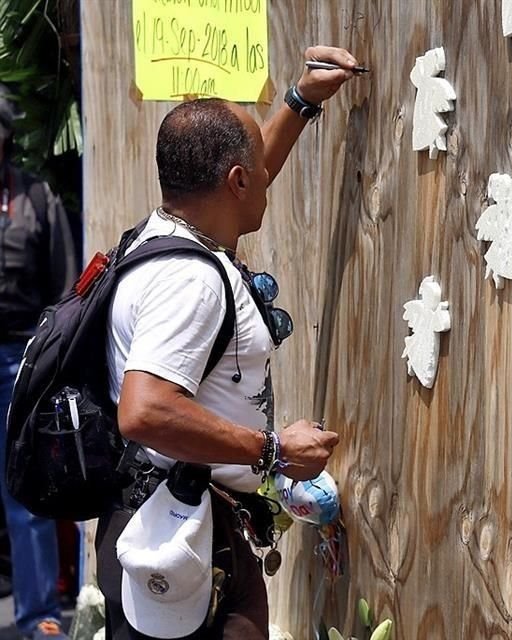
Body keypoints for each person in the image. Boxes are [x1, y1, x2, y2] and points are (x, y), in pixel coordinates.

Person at [95, 45, 356, 639]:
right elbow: (145, 410)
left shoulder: (165, 236)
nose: (266, 174)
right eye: (256, 170)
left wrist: (300, 102)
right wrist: (271, 451)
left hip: (165, 518)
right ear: (237, 181)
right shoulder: (191, 281)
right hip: (186, 537)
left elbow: (244, 175)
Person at [0, 85, 78, 640]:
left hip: (16, 360)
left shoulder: (36, 198)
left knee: (26, 492)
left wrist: (50, 365)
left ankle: (38, 617)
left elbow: (63, 288)